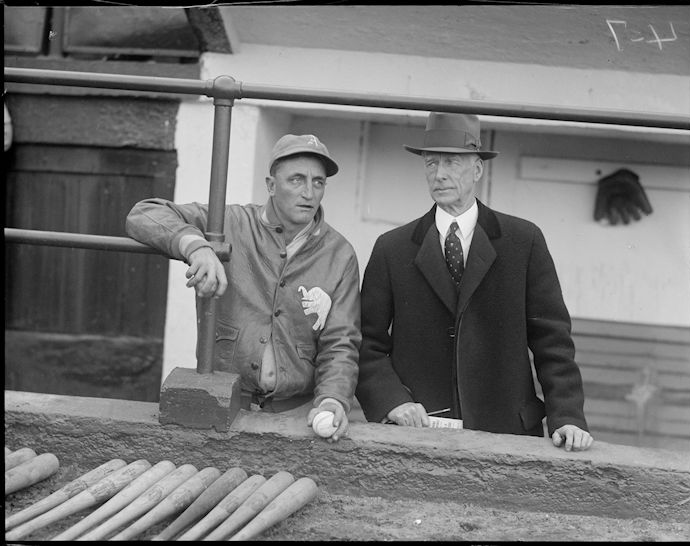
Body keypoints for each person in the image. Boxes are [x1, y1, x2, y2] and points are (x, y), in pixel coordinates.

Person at [355, 112, 593, 452]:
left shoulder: (523, 241)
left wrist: (566, 416)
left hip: (507, 434)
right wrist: (392, 401)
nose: (439, 174)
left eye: (451, 162)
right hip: (419, 434)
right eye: (431, 163)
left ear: (477, 170)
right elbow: (368, 343)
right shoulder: (392, 248)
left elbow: (552, 342)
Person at [126, 134, 361, 443]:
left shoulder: (339, 253)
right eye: (297, 180)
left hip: (300, 415)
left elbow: (341, 342)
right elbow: (143, 213)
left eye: (318, 182)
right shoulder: (229, 223)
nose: (309, 192)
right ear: (271, 184)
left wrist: (332, 399)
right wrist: (195, 245)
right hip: (225, 405)